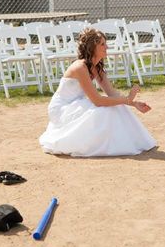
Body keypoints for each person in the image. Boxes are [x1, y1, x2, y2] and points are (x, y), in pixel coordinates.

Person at [39, 28, 157, 157]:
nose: (107, 46)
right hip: (62, 109)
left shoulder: (97, 67)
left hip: (78, 104)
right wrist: (127, 99)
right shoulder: (80, 67)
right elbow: (98, 101)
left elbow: (112, 93)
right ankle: (103, 146)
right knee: (105, 110)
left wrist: (133, 103)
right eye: (102, 44)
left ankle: (127, 143)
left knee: (117, 106)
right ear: (92, 47)